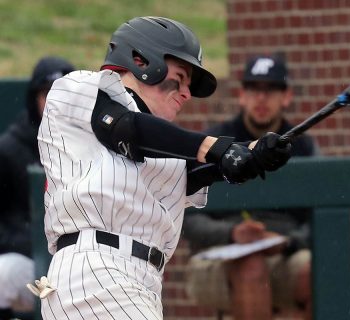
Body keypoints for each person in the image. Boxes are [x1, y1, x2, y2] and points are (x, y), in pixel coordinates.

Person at [28, 17, 292, 320]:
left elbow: (205, 164)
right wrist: (216, 148)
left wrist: (256, 151)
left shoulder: (165, 147)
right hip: (95, 269)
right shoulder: (77, 89)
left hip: (137, 282)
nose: (186, 93)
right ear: (140, 60)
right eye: (179, 78)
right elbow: (125, 130)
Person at [183, 54, 318, 320]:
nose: (261, 99)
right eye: (254, 90)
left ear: (287, 96)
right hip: (220, 255)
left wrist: (287, 243)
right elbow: (188, 219)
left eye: (271, 90)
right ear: (242, 95)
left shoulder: (304, 147)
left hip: (286, 254)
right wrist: (234, 234)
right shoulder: (215, 141)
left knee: (318, 271)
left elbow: (321, 218)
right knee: (252, 267)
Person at [0, 56, 75, 320]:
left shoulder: (94, 145)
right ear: (35, 99)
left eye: (64, 95)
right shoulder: (9, 149)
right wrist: (32, 241)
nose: (57, 103)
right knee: (3, 274)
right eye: (48, 94)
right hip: (35, 267)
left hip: (84, 264)